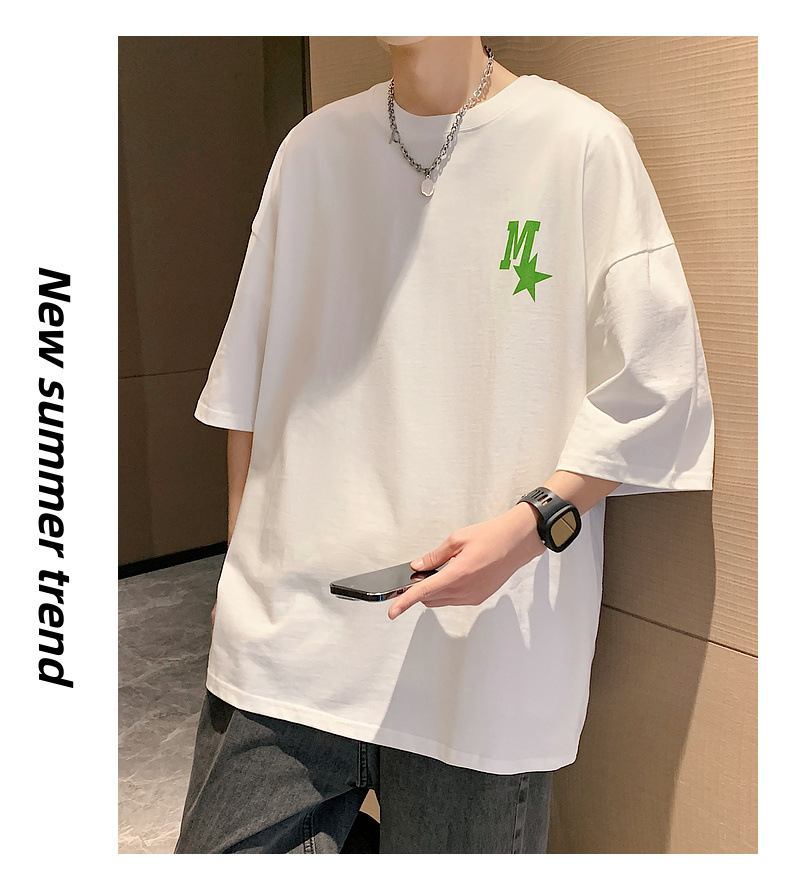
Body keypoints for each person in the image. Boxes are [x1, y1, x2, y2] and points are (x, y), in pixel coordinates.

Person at [174, 36, 714, 854]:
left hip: (484, 653)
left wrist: (530, 527)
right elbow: (247, 380)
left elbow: (659, 382)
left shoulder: (578, 145)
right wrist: (236, 572)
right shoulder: (312, 152)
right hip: (290, 636)